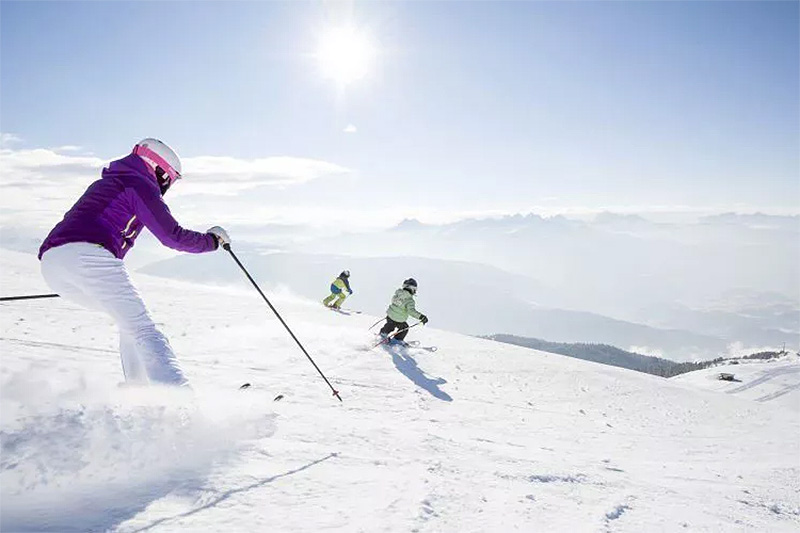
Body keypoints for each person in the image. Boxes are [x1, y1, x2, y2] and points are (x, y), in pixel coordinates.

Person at [38, 138, 231, 387]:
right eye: (170, 179)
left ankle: (138, 393)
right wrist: (213, 242)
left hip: (53, 263)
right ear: (161, 170)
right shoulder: (139, 184)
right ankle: (178, 402)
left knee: (128, 323)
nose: (167, 186)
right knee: (143, 329)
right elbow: (173, 236)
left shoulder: (108, 182)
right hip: (87, 257)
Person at [379, 278, 428, 343]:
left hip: (390, 316)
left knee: (390, 325)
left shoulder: (397, 294)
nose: (415, 291)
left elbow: (393, 301)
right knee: (404, 328)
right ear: (412, 288)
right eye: (415, 289)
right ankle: (397, 340)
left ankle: (383, 334)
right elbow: (411, 311)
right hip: (399, 319)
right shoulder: (410, 300)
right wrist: (421, 317)